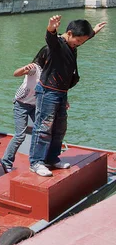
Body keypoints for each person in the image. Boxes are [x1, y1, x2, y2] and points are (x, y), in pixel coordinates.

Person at [29, 16, 106, 177]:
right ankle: (36, 162)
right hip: (48, 92)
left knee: (59, 127)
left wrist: (93, 33)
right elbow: (51, 38)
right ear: (69, 33)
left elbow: (82, 37)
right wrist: (51, 27)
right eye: (78, 41)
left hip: (62, 92)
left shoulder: (72, 44)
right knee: (44, 127)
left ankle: (52, 158)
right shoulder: (57, 45)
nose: (79, 44)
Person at [0, 47, 49, 173]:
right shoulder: (34, 68)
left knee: (43, 130)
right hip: (21, 104)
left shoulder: (49, 72)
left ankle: (41, 159)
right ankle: (6, 160)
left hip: (35, 105)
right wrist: (23, 70)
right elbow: (16, 73)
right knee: (20, 135)